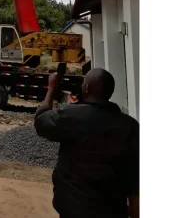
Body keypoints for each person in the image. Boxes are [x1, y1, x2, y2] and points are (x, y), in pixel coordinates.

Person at [34, 68, 139, 218]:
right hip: (112, 211)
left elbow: (41, 121)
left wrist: (51, 88)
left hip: (73, 209)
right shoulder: (131, 127)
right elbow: (134, 181)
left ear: (87, 87)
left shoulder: (70, 116)